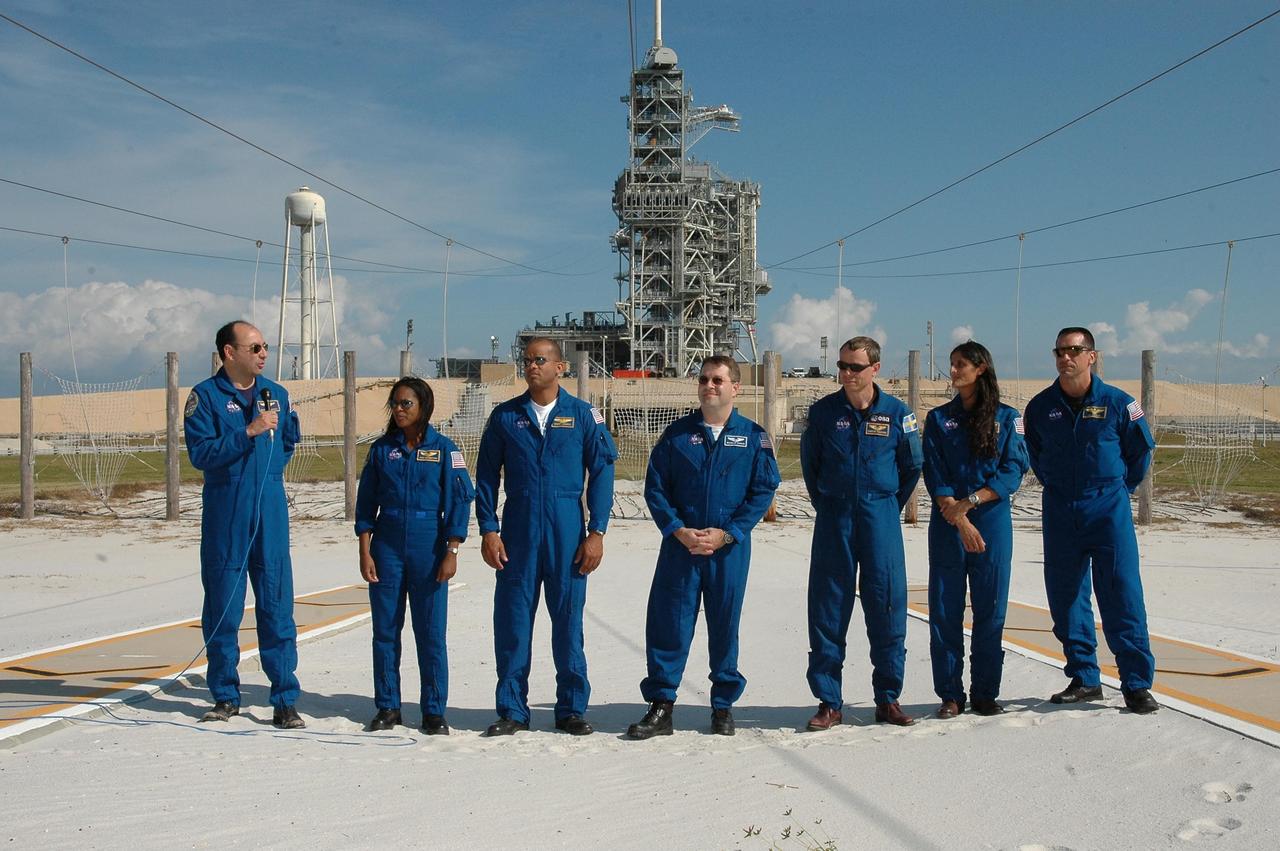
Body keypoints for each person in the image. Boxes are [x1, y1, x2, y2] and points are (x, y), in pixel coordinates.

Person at [626, 356, 781, 739]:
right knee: (669, 624)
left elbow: (762, 491)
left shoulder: (754, 437)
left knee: (724, 624)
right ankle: (661, 706)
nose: (709, 386)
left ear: (735, 388)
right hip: (682, 548)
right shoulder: (677, 435)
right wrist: (678, 531)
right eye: (704, 379)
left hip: (727, 549)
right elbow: (656, 488)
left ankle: (722, 707)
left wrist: (728, 533)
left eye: (718, 380)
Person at [475, 338, 617, 736]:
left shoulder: (584, 415)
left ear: (561, 368)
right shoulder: (506, 417)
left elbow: (603, 472)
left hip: (567, 531)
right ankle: (512, 710)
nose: (532, 366)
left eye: (540, 360)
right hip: (518, 531)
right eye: (527, 360)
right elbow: (486, 477)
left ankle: (571, 709)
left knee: (568, 621)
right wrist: (489, 528)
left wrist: (597, 531)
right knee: (513, 621)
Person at [1024, 327, 1159, 714]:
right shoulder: (1040, 407)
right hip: (1061, 508)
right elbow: (1036, 452)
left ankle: (1135, 683)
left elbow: (1140, 452)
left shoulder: (1120, 403)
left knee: (1121, 593)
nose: (1066, 358)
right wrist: (1060, 485)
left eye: (1074, 351)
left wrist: (1117, 490)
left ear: (1091, 356)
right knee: (1066, 596)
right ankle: (1084, 677)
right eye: (1060, 351)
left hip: (1108, 508)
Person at [184, 321, 304, 729]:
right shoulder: (205, 397)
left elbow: (287, 442)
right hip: (226, 509)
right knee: (223, 606)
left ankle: (285, 698)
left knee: (276, 604)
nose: (262, 354)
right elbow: (200, 454)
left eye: (265, 346)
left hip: (268, 508)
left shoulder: (277, 395)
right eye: (254, 347)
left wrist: (266, 472)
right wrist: (247, 432)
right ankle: (225, 695)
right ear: (228, 352)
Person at [800, 336, 923, 730]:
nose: (847, 374)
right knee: (827, 606)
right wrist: (831, 503)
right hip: (835, 517)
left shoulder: (898, 413)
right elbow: (810, 466)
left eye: (855, 367)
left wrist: (885, 504)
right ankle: (828, 701)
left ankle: (888, 698)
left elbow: (912, 466)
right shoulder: (822, 413)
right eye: (842, 366)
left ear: (875, 369)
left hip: (880, 517)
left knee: (887, 604)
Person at [355, 377, 474, 735]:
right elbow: (365, 506)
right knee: (386, 631)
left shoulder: (444, 449)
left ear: (424, 406)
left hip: (429, 545)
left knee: (431, 633)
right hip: (387, 545)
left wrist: (452, 550)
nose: (400, 409)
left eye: (407, 403)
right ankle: (388, 706)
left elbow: (459, 501)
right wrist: (365, 551)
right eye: (395, 403)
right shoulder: (381, 451)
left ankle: (433, 711)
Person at [922, 341, 1030, 719]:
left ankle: (985, 692)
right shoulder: (938, 419)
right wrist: (958, 515)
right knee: (945, 610)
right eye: (951, 364)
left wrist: (972, 505)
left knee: (990, 609)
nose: (953, 372)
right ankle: (950, 693)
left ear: (981, 368)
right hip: (949, 521)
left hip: (991, 523)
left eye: (961, 365)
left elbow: (1012, 471)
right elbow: (934, 472)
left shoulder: (1008, 417)